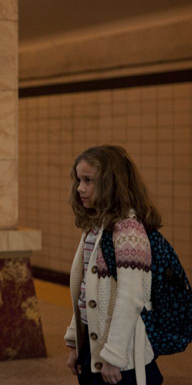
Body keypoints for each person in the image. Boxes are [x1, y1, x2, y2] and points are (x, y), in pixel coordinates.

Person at [65, 145, 164, 385]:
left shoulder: (128, 230)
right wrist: (75, 342)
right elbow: (85, 291)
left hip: (120, 356)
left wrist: (114, 356)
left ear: (111, 184)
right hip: (93, 346)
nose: (80, 188)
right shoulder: (94, 227)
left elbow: (131, 298)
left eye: (88, 180)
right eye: (79, 180)